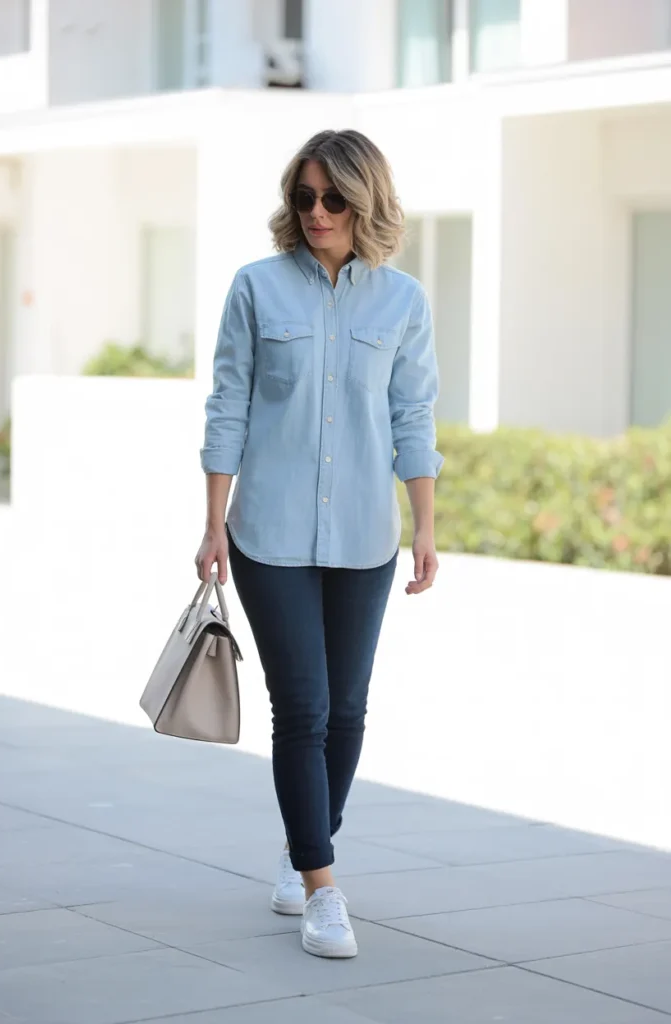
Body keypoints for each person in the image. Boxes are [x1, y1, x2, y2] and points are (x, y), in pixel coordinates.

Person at [195, 129, 443, 959]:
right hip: (267, 531)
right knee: (300, 708)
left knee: (346, 710)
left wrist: (426, 526)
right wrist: (211, 526)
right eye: (303, 198)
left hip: (365, 533)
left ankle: (304, 848)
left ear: (363, 200)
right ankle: (323, 889)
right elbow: (228, 405)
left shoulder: (402, 301)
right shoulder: (256, 288)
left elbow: (412, 415)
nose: (315, 214)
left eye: (333, 199)